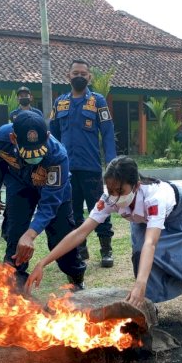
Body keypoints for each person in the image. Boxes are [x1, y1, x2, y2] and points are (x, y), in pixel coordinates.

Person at [26, 155, 182, 311]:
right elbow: (81, 233)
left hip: (178, 215)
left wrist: (139, 284)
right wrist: (43, 262)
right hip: (142, 219)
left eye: (120, 191)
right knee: (140, 252)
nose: (115, 196)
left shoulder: (154, 199)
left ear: (136, 186)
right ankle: (148, 300)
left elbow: (152, 243)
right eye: (110, 190)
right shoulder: (109, 200)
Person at [0, 110, 86, 290]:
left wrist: (31, 234)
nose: (33, 157)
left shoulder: (58, 156)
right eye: (27, 152)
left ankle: (76, 277)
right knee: (16, 234)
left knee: (62, 236)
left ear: (47, 136)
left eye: (37, 151)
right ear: (13, 138)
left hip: (55, 191)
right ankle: (15, 285)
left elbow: (50, 203)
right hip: (19, 185)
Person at [50, 59, 117, 268]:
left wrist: (112, 164)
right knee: (73, 212)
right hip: (67, 169)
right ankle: (81, 248)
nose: (79, 76)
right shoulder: (60, 103)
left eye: (83, 73)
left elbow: (107, 134)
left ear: (89, 77)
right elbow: (52, 135)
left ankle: (106, 250)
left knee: (100, 209)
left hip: (91, 168)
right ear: (68, 76)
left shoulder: (98, 101)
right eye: (75, 73)